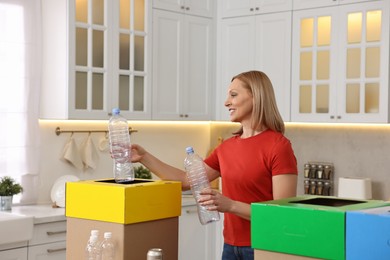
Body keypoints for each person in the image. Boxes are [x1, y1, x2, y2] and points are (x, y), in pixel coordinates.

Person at [130, 70, 298, 260]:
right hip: (230, 247)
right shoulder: (226, 147)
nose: (227, 102)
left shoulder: (278, 146)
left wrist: (231, 205)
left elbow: (282, 214)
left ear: (256, 97)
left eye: (233, 95)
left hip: (265, 246)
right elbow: (187, 181)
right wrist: (144, 157)